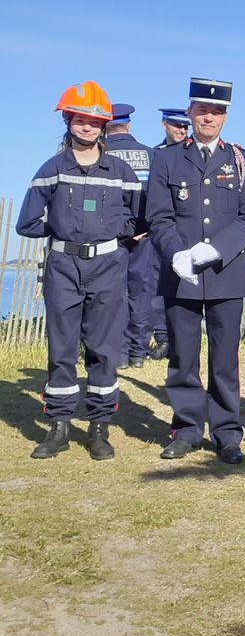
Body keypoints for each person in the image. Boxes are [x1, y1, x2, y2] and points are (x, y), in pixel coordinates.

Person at [17, 82, 141, 460]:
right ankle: (58, 427)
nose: (87, 127)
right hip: (62, 267)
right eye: (80, 120)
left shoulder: (120, 171)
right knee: (62, 349)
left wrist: (116, 236)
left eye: (95, 121)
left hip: (107, 267)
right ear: (68, 119)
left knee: (104, 350)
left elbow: (138, 220)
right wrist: (59, 228)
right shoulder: (51, 169)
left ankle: (99, 428)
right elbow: (26, 223)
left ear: (104, 125)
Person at [147, 79, 245, 465]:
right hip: (179, 274)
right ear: (191, 112)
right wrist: (176, 254)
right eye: (202, 110)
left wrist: (215, 249)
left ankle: (227, 434)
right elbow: (158, 216)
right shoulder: (166, 159)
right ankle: (185, 429)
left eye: (216, 112)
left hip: (225, 274)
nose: (208, 117)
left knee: (224, 359)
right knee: (182, 355)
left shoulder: (242, 158)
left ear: (225, 117)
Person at [104, 103, 157, 368]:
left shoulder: (100, 155)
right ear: (129, 125)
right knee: (142, 292)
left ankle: (120, 354)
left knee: (113, 294)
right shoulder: (149, 155)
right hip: (145, 234)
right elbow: (160, 197)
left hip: (111, 237)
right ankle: (138, 352)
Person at [146, 107, 192, 360]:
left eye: (185, 127)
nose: (182, 131)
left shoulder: (195, 154)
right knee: (156, 285)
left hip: (187, 233)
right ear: (165, 125)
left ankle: (179, 340)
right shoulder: (156, 155)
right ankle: (162, 337)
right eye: (177, 126)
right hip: (162, 232)